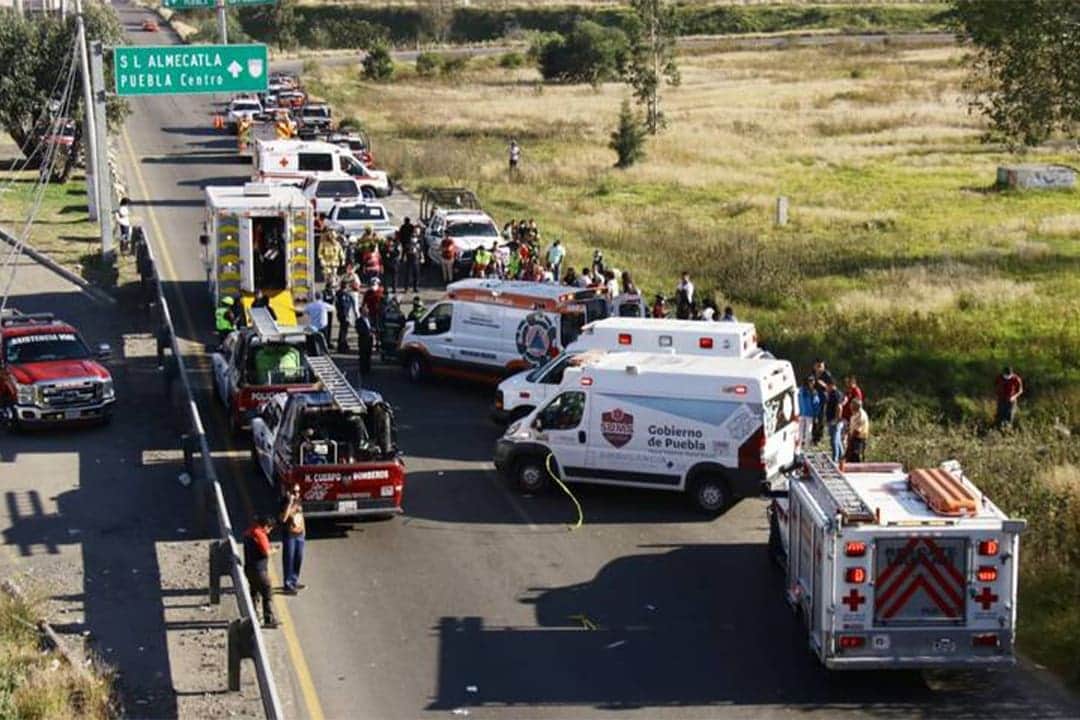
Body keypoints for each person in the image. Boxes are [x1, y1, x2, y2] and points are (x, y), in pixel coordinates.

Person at [242, 515, 277, 628]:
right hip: (259, 570)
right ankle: (269, 619)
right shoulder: (260, 534)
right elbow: (266, 552)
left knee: (254, 592)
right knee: (267, 591)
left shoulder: (249, 531)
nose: (269, 532)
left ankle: (253, 617)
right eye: (270, 529)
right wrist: (274, 550)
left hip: (249, 568)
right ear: (266, 526)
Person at [279, 484, 306, 595]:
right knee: (289, 559)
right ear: (288, 492)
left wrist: (304, 531)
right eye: (294, 492)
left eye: (298, 492)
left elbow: (301, 516)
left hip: (300, 534)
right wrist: (290, 503)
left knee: (298, 558)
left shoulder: (299, 501)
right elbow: (283, 519)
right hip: (289, 535)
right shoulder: (284, 503)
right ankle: (288, 583)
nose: (297, 494)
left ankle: (294, 580)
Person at [797, 375, 821, 450]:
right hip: (809, 414)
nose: (812, 383)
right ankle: (805, 447)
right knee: (808, 431)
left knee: (801, 431)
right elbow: (816, 404)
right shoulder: (813, 392)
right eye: (811, 381)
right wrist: (816, 415)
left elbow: (798, 400)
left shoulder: (801, 390)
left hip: (802, 413)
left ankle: (799, 446)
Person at [824, 380, 844, 463]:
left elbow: (839, 407)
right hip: (831, 420)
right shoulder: (831, 394)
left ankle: (835, 459)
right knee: (837, 441)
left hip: (835, 421)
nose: (826, 388)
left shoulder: (836, 394)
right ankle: (842, 458)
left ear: (832, 385)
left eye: (827, 386)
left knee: (834, 441)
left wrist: (836, 419)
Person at [334, 280, 357, 352]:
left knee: (343, 330)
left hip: (343, 314)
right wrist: (346, 315)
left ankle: (343, 344)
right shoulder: (342, 294)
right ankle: (342, 345)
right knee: (343, 331)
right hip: (344, 314)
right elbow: (343, 305)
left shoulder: (342, 293)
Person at [844, 398, 869, 463]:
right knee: (850, 458)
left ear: (856, 406)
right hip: (853, 438)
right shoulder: (855, 414)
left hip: (858, 439)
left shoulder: (861, 415)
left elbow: (857, 431)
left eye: (851, 406)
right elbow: (852, 426)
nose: (850, 407)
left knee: (856, 457)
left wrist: (850, 441)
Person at [356, 305, 374, 384]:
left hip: (369, 340)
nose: (367, 311)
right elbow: (359, 330)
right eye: (365, 310)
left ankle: (368, 369)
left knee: (368, 354)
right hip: (363, 340)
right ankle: (362, 370)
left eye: (367, 309)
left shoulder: (369, 319)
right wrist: (368, 332)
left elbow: (372, 326)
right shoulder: (359, 321)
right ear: (362, 312)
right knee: (363, 355)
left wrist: (372, 331)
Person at [403, 226, 423, 293]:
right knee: (408, 274)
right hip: (410, 258)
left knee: (416, 274)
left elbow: (421, 249)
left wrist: (422, 257)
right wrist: (405, 255)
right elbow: (405, 248)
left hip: (416, 258)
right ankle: (406, 288)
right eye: (416, 231)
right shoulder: (409, 239)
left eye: (418, 231)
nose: (417, 232)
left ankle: (415, 287)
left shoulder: (419, 240)